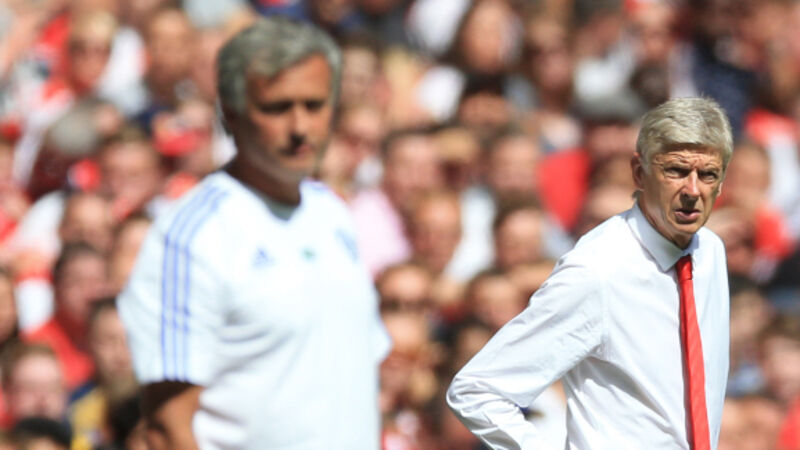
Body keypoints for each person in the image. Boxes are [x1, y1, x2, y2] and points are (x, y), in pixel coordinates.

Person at [118, 17, 389, 449]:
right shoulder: (191, 236)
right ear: (232, 112)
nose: (300, 127)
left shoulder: (334, 214)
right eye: (277, 107)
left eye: (315, 105)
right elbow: (169, 428)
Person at [447, 97, 732, 448]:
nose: (692, 190)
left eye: (708, 174)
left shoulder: (710, 252)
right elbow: (477, 389)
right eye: (676, 170)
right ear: (639, 172)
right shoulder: (597, 270)